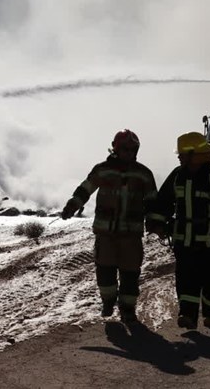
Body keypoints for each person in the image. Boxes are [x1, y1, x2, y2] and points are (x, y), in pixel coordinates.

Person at [60, 129, 159, 324]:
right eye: (125, 149)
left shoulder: (143, 174)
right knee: (105, 270)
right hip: (106, 233)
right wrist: (72, 205)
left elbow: (153, 201)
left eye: (133, 149)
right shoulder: (102, 170)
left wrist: (156, 222)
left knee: (130, 272)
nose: (129, 153)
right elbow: (86, 188)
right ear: (116, 148)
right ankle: (108, 302)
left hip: (131, 235)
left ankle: (128, 308)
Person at [149, 132, 210, 330]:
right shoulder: (177, 175)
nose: (179, 157)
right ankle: (187, 314)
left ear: (194, 154)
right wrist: (158, 224)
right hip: (184, 240)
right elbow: (162, 202)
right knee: (186, 279)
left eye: (182, 154)